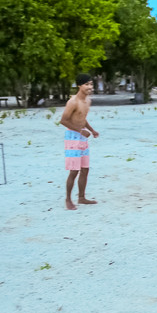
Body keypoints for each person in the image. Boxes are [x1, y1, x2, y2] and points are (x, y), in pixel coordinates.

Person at [60, 73, 100, 210]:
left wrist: (92, 130)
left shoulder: (88, 101)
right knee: (74, 170)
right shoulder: (73, 102)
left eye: (91, 84)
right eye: (87, 84)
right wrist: (79, 130)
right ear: (79, 86)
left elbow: (82, 118)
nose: (90, 87)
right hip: (72, 137)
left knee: (85, 169)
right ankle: (68, 200)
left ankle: (81, 197)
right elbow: (63, 120)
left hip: (82, 136)